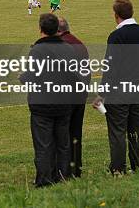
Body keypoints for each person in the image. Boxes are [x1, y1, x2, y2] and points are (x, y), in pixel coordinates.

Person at [92, 0, 139, 174]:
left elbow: (111, 68)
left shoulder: (116, 36)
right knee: (138, 129)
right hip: (138, 90)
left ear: (116, 15)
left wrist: (102, 94)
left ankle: (118, 168)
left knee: (118, 131)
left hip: (118, 92)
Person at [19, 14, 78, 187]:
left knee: (44, 144)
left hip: (42, 104)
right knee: (63, 143)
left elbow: (31, 76)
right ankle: (62, 176)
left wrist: (22, 77)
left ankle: (45, 179)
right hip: (64, 102)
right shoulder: (68, 48)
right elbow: (74, 76)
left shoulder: (37, 50)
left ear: (41, 29)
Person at [57, 17, 89, 178]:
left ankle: (64, 171)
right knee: (76, 133)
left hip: (64, 96)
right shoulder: (79, 44)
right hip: (80, 96)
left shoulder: (60, 46)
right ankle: (76, 168)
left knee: (62, 134)